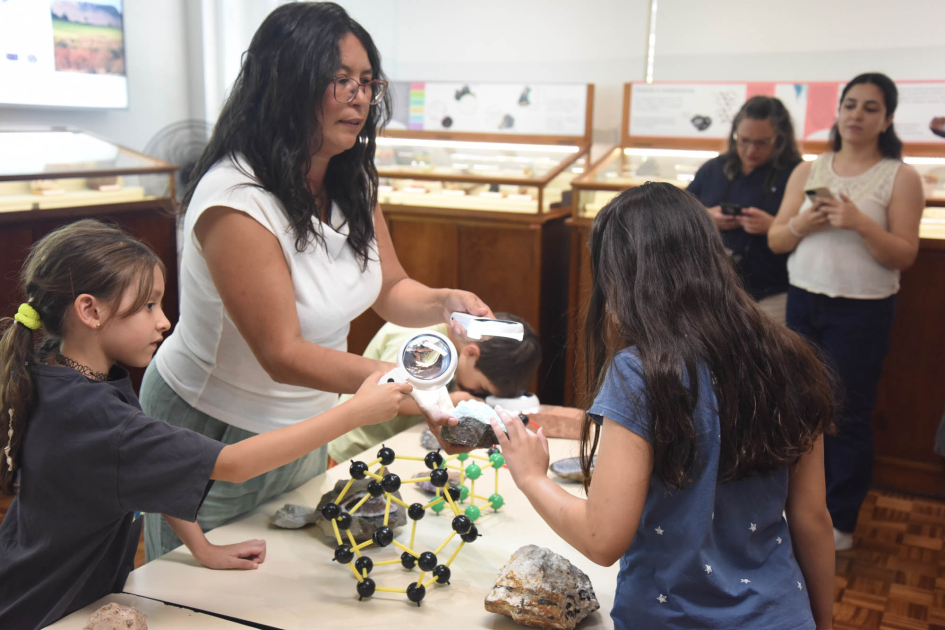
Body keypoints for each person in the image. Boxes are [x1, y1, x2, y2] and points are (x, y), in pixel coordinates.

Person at [141, 2, 492, 561]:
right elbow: (280, 352)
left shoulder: (350, 179)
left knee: (288, 574)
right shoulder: (237, 199)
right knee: (205, 595)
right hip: (216, 428)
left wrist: (444, 301)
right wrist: (405, 384)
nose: (359, 97)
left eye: (367, 82)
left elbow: (391, 287)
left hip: (307, 424)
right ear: (288, 82)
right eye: (341, 80)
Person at [0, 220, 411, 630]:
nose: (164, 322)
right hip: (48, 606)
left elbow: (149, 471)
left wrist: (202, 547)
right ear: (90, 310)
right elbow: (233, 464)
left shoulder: (59, 369)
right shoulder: (97, 416)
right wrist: (354, 412)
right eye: (148, 306)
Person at [493, 183, 837, 630]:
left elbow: (603, 538)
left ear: (623, 279)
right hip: (782, 616)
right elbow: (813, 518)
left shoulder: (640, 372)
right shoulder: (788, 357)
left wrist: (531, 476)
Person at [768, 72, 924, 552]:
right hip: (805, 299)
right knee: (798, 407)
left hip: (862, 309)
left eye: (870, 107)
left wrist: (857, 222)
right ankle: (792, 506)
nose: (856, 115)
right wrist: (803, 222)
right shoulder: (808, 170)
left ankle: (840, 521)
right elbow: (777, 239)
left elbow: (903, 254)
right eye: (850, 104)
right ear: (837, 112)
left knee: (847, 414)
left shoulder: (901, 176)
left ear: (888, 118)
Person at [328, 313, 542, 463]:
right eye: (481, 387)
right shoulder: (420, 342)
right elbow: (388, 397)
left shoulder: (450, 350)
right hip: (353, 450)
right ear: (471, 353)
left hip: (388, 445)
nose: (475, 393)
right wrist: (456, 398)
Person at [687, 96, 803, 323]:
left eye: (761, 142)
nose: (750, 150)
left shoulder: (796, 173)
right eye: (743, 140)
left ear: (780, 139)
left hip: (772, 293)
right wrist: (707, 216)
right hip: (713, 293)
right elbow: (678, 211)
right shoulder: (715, 168)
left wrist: (774, 226)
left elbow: (809, 229)